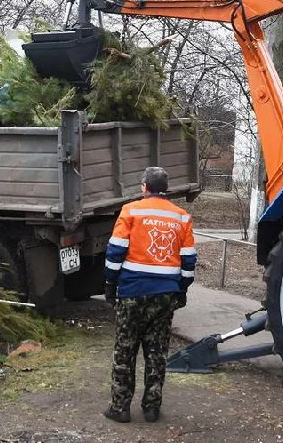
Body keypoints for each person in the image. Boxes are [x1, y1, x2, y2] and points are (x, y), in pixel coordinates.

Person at [102, 166, 197, 424]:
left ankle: (120, 408)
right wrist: (182, 289)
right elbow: (189, 260)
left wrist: (110, 285)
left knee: (125, 350)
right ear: (165, 188)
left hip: (132, 292)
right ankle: (152, 408)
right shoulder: (181, 217)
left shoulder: (131, 211)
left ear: (144, 186)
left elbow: (115, 251)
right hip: (165, 295)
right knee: (156, 352)